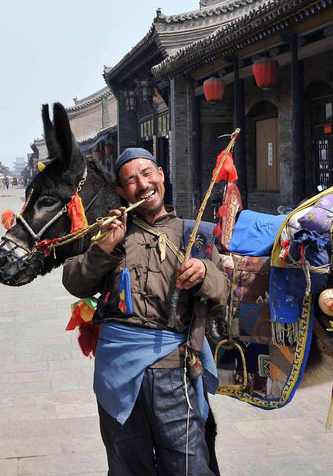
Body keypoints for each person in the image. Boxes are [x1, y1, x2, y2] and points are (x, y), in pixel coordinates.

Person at [62, 148, 229, 476]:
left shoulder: (196, 234)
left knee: (188, 466)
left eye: (147, 173)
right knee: (127, 467)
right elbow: (75, 282)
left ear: (161, 175)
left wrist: (206, 273)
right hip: (117, 373)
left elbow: (225, 292)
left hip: (174, 370)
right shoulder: (109, 232)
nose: (143, 183)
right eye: (131, 180)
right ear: (123, 192)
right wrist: (106, 247)